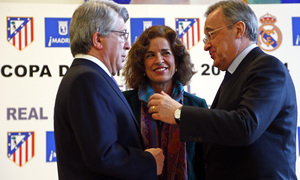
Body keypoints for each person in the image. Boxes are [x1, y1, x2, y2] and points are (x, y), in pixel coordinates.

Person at [147, 1, 298, 180]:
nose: (206, 45)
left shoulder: (267, 68)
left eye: (211, 34)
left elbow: (246, 127)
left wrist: (179, 113)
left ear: (238, 29)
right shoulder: (236, 74)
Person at [54, 1, 164, 179]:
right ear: (97, 40)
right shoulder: (86, 79)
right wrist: (148, 161)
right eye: (122, 35)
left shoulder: (90, 75)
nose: (128, 44)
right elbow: (102, 155)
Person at [122, 25, 208, 180]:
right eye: (150, 55)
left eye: (166, 53)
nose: (159, 60)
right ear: (142, 64)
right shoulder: (124, 103)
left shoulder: (196, 105)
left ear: (177, 60)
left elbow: (203, 166)